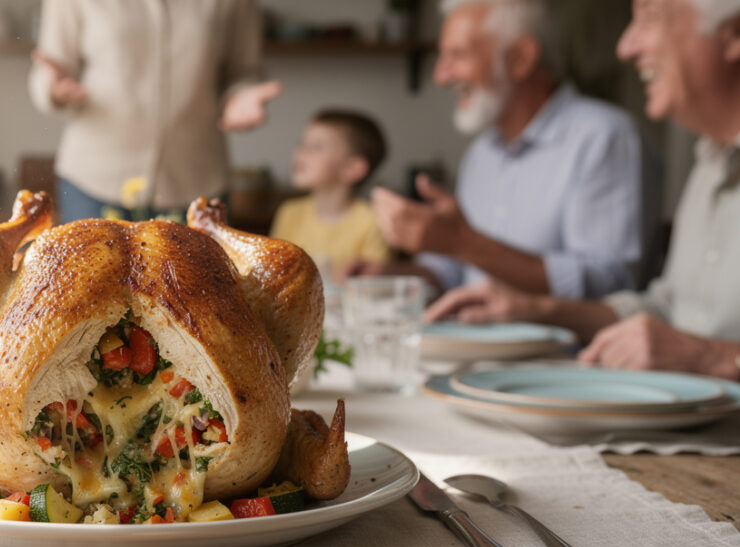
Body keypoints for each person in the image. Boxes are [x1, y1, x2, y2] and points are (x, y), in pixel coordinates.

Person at [425, 0, 740, 379]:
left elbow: (621, 285)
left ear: (734, 33)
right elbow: (667, 308)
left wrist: (715, 358)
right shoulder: (710, 162)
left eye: (651, 18)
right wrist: (535, 308)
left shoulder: (606, 136)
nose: (625, 48)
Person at [367, 0, 650, 300]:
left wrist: (463, 243)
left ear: (520, 59)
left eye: (458, 55)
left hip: (564, 348)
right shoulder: (480, 153)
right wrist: (389, 275)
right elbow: (455, 274)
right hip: (469, 342)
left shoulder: (603, 137)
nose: (441, 77)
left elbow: (609, 285)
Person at [28, 0, 283, 223]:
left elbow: (244, 70)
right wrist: (53, 89)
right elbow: (49, 67)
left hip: (197, 182)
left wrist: (240, 96)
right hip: (93, 182)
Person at [270, 109, 391, 279]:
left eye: (317, 147)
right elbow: (275, 273)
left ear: (352, 168)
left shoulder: (372, 220)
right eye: (301, 143)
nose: (300, 152)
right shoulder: (289, 213)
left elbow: (373, 280)